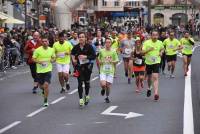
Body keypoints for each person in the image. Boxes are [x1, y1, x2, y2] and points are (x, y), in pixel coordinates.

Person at [71, 32, 96, 107]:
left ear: (85, 38)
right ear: (78, 38)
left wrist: (86, 57)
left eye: (83, 37)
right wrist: (73, 60)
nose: (81, 38)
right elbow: (72, 53)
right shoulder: (76, 47)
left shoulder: (89, 46)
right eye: (80, 37)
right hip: (79, 67)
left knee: (87, 82)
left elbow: (94, 56)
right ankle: (81, 99)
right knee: (80, 82)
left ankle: (87, 95)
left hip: (87, 67)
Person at [32, 35, 55, 107]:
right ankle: (43, 91)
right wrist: (39, 62)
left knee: (46, 85)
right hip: (39, 71)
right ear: (41, 42)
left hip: (48, 70)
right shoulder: (37, 50)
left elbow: (54, 58)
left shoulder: (51, 50)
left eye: (46, 41)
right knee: (41, 86)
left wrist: (52, 60)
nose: (44, 42)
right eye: (43, 41)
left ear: (48, 42)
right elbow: (33, 59)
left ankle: (45, 100)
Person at [142, 31, 164, 101]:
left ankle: (156, 93)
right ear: (151, 36)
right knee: (149, 78)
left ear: (158, 36)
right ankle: (149, 88)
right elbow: (142, 52)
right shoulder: (146, 43)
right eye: (153, 35)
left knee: (155, 77)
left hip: (156, 61)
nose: (155, 36)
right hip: (148, 62)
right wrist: (148, 50)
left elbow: (162, 48)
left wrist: (161, 52)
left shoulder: (160, 42)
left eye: (156, 35)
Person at [98, 38, 119, 103]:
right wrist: (101, 61)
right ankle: (103, 89)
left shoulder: (113, 51)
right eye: (106, 42)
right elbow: (98, 60)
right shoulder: (101, 51)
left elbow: (117, 61)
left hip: (110, 71)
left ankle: (107, 97)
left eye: (109, 42)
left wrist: (112, 61)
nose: (108, 44)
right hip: (103, 70)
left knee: (108, 85)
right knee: (103, 84)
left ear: (111, 44)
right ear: (105, 43)